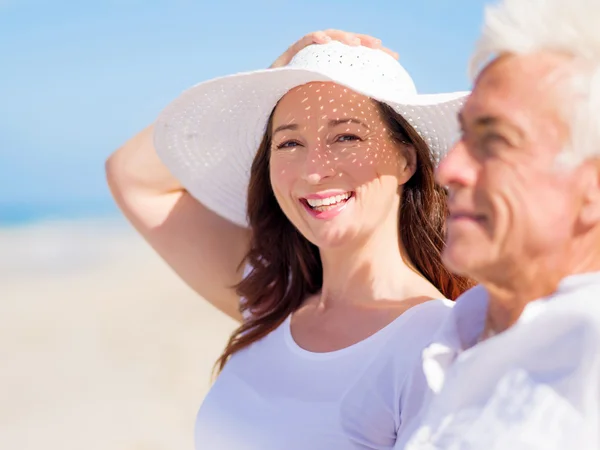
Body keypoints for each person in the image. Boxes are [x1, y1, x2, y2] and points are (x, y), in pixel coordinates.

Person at [106, 30, 472, 449]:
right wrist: (274, 76)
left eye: (346, 137)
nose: (314, 171)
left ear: (407, 159)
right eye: (290, 142)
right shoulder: (275, 295)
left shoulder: (439, 346)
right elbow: (132, 177)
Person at [393, 0, 600, 448]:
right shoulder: (456, 330)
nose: (448, 169)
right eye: (464, 135)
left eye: (497, 140)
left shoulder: (588, 365)